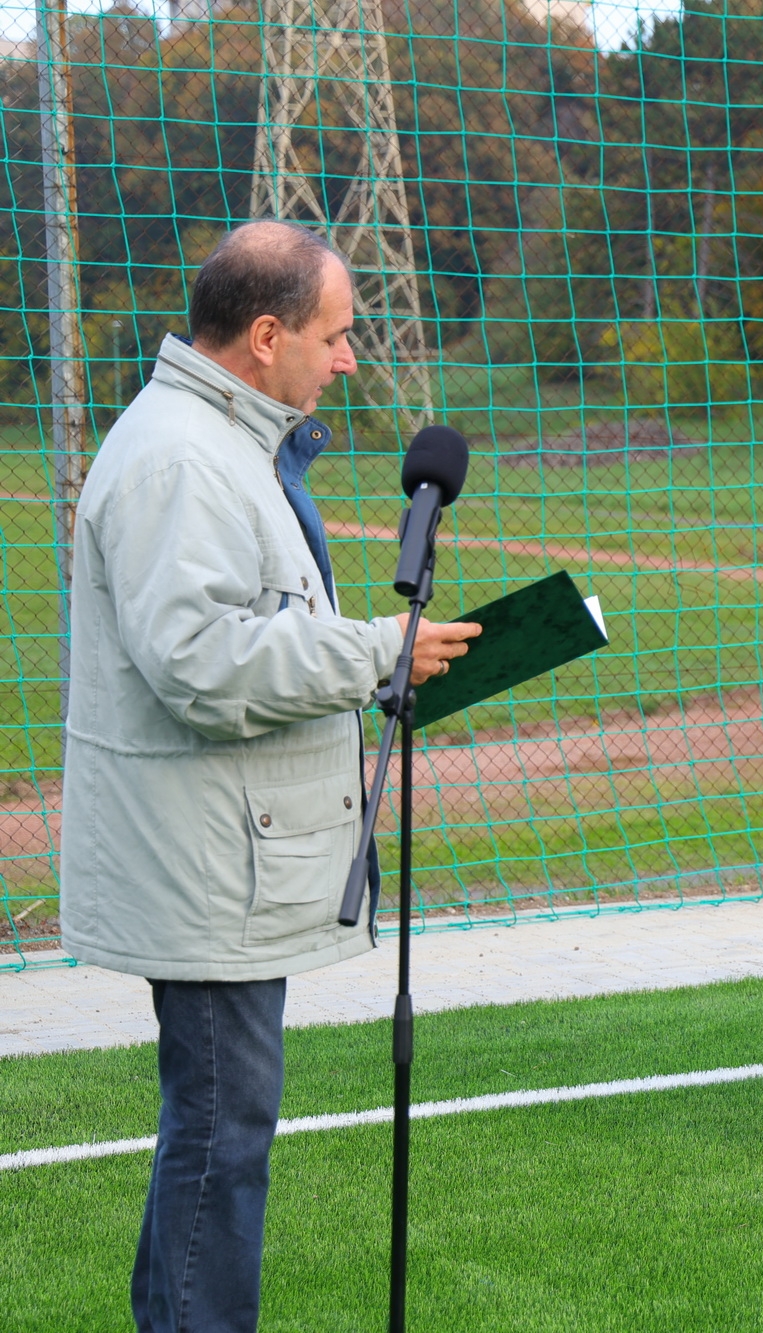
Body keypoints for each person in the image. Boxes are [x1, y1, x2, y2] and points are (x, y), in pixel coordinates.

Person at [59, 220, 479, 1331]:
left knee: (218, 1130)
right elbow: (199, 664)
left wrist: (376, 660)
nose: (349, 357)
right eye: (334, 335)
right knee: (219, 1136)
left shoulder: (223, 442)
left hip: (224, 859)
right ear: (263, 336)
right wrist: (373, 652)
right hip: (205, 869)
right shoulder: (180, 459)